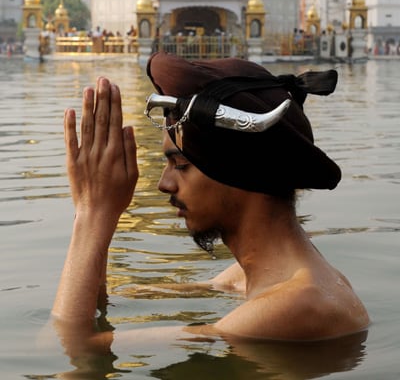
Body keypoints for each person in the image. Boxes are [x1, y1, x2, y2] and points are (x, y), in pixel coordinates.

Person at [51, 52, 369, 358]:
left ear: (241, 170)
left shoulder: (299, 304)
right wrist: (101, 207)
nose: (164, 184)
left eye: (181, 165)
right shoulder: (243, 277)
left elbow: (71, 348)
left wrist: (93, 213)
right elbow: (102, 301)